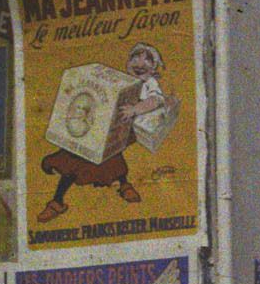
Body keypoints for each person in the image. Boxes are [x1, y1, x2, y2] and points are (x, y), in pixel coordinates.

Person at [35, 44, 172, 225]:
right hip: (105, 129)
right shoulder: (122, 80)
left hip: (125, 129)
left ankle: (57, 201)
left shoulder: (149, 84)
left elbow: (155, 100)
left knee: (85, 160)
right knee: (101, 156)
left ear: (154, 66)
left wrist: (135, 109)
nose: (140, 63)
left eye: (147, 59)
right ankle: (123, 184)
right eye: (135, 58)